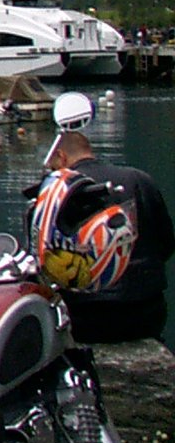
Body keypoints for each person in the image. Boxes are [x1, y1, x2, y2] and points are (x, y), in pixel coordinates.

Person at [43, 125, 174, 343]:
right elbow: (167, 243)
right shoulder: (140, 180)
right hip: (145, 311)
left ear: (61, 156)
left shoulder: (55, 192)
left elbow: (44, 258)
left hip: (85, 316)